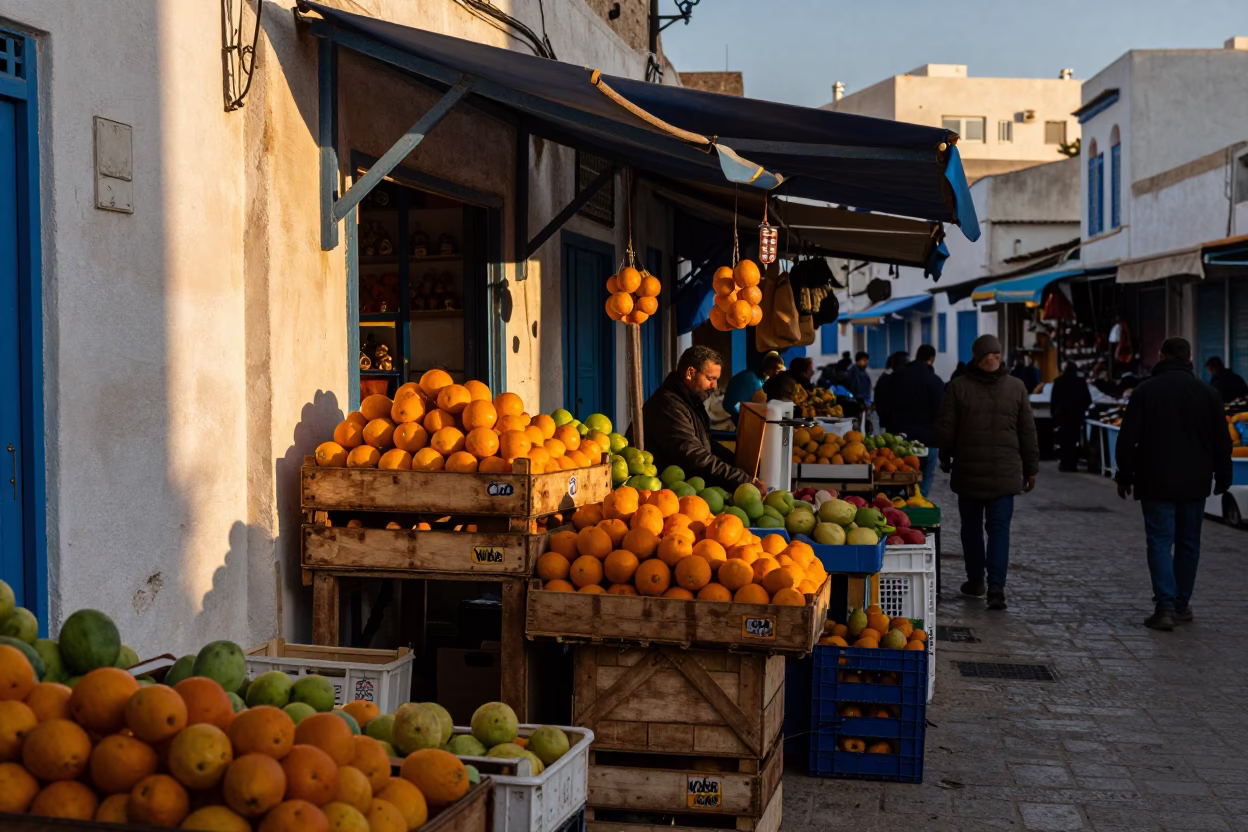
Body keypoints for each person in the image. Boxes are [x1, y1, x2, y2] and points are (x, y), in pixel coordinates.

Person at [1115, 338, 1232, 631]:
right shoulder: (1209, 394)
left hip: (1155, 479)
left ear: (1161, 356)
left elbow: (1127, 437)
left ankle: (1165, 606)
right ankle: (1181, 605)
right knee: (1189, 542)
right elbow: (1222, 440)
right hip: (1195, 481)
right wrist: (1224, 475)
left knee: (1159, 540)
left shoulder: (1145, 391)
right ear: (1190, 358)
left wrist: (1124, 474)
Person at [934, 335, 1040, 611]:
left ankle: (976, 582)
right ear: (1000, 354)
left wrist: (945, 459)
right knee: (999, 531)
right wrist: (1031, 469)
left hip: (968, 473)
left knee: (971, 530)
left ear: (975, 357)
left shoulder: (958, 387)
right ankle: (996, 588)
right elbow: (1028, 432)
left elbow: (946, 431)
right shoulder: (1016, 387)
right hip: (1005, 476)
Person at [643, 345, 765, 492]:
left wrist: (739, 466)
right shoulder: (667, 405)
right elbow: (692, 455)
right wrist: (742, 480)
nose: (715, 387)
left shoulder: (691, 402)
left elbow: (706, 443)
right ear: (690, 373)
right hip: (663, 493)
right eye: (710, 379)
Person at [886, 345, 945, 495]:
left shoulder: (896, 377)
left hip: (898, 437)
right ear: (931, 359)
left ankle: (897, 509)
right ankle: (919, 508)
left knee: (895, 481)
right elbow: (940, 412)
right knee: (923, 486)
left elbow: (885, 404)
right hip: (927, 440)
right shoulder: (935, 381)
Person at [721, 352, 785, 425]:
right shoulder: (752, 379)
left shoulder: (752, 375)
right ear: (772, 370)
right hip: (736, 417)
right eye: (778, 371)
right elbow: (763, 403)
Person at [1050, 362, 1092, 472]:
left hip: (1062, 416)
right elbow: (1088, 400)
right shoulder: (1081, 382)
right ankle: (1073, 464)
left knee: (1063, 440)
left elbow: (1053, 401)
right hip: (1076, 416)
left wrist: (1053, 414)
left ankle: (1064, 463)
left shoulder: (1058, 382)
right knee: (1074, 440)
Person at [873, 351, 909, 432]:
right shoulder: (895, 379)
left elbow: (878, 401)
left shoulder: (884, 378)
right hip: (898, 422)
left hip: (890, 422)